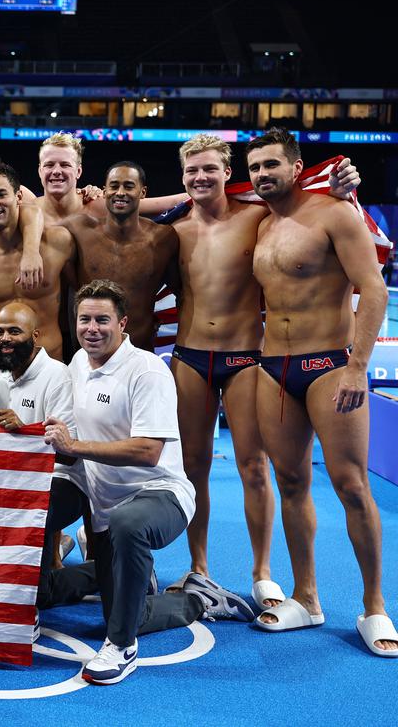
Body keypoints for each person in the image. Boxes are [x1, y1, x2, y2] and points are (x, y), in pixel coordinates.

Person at [166, 134, 359, 606]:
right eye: (192, 171)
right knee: (193, 469)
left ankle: (261, 571)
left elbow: (303, 212)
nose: (200, 178)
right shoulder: (173, 231)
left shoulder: (257, 217)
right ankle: (199, 567)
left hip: (246, 359)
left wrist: (341, 191)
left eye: (210, 170)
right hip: (190, 356)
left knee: (255, 467)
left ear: (228, 174)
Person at [43, 280, 252, 685]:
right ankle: (188, 595)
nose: (92, 328)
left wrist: (75, 445)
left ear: (123, 324)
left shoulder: (148, 370)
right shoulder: (76, 366)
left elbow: (147, 452)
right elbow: (68, 442)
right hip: (105, 508)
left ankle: (123, 646)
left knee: (128, 530)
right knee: (131, 611)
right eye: (84, 319)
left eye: (102, 320)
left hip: (161, 496)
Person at [247, 128, 396, 656]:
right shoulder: (263, 224)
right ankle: (307, 598)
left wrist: (359, 367)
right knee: (289, 482)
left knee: (352, 485)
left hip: (332, 364)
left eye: (271, 165)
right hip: (274, 369)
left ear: (296, 166)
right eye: (255, 167)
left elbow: (374, 288)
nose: (262, 174)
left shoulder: (334, 213)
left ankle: (375, 606)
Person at [0, 302, 87, 579]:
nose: (5, 338)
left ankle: (87, 574)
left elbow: (69, 453)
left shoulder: (58, 376)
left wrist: (25, 431)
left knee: (40, 589)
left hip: (65, 483)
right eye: (0, 332)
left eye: (14, 331)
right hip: (15, 479)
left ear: (35, 336)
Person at [0, 161, 73, 374]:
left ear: (18, 197)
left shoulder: (59, 242)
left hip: (47, 362)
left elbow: (78, 293)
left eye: (1, 194)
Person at [63, 162, 179, 351]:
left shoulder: (163, 238)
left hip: (140, 352)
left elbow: (183, 294)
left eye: (129, 186)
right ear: (104, 191)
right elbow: (37, 214)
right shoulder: (78, 230)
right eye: (114, 186)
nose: (120, 192)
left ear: (143, 192)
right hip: (89, 354)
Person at [34, 132, 186, 226]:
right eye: (49, 165)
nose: (56, 171)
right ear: (40, 171)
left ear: (78, 171)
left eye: (65, 165)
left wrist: (206, 191)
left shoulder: (99, 205)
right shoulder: (27, 210)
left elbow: (169, 203)